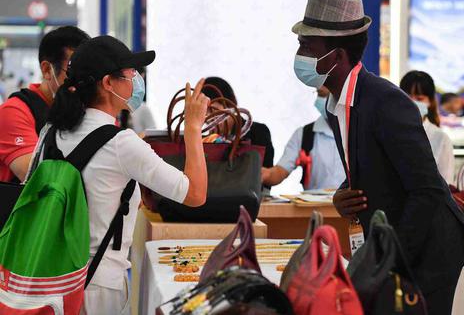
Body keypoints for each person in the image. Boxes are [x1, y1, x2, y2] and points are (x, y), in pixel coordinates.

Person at [292, 0, 464, 314]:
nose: (299, 53)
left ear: (337, 55)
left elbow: (427, 191)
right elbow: (377, 166)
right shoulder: (337, 106)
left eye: (307, 46)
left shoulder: (387, 102)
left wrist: (389, 260)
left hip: (428, 246)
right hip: (394, 238)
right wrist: (344, 194)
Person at [31, 35, 208, 314]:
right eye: (129, 73)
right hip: (97, 287)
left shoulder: (50, 133)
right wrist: (194, 128)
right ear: (107, 83)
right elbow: (195, 194)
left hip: (48, 279)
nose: (136, 80)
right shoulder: (121, 144)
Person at [0, 26, 90, 182]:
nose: (80, 82)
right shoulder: (14, 111)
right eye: (72, 73)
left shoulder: (87, 107)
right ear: (47, 70)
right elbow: (37, 177)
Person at [261, 86, 346, 190]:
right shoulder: (304, 134)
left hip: (354, 204)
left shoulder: (363, 133)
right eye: (320, 94)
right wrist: (266, 174)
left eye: (328, 95)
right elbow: (280, 171)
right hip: (314, 205)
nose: (324, 100)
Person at [202, 76, 275, 168]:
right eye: (204, 112)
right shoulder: (203, 140)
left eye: (213, 110)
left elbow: (267, 173)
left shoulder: (258, 131)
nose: (208, 117)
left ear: (231, 104)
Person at [400, 71, 455, 184]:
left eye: (419, 99)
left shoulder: (441, 138)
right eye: (407, 97)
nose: (412, 103)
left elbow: (447, 184)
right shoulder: (389, 133)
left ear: (430, 101)